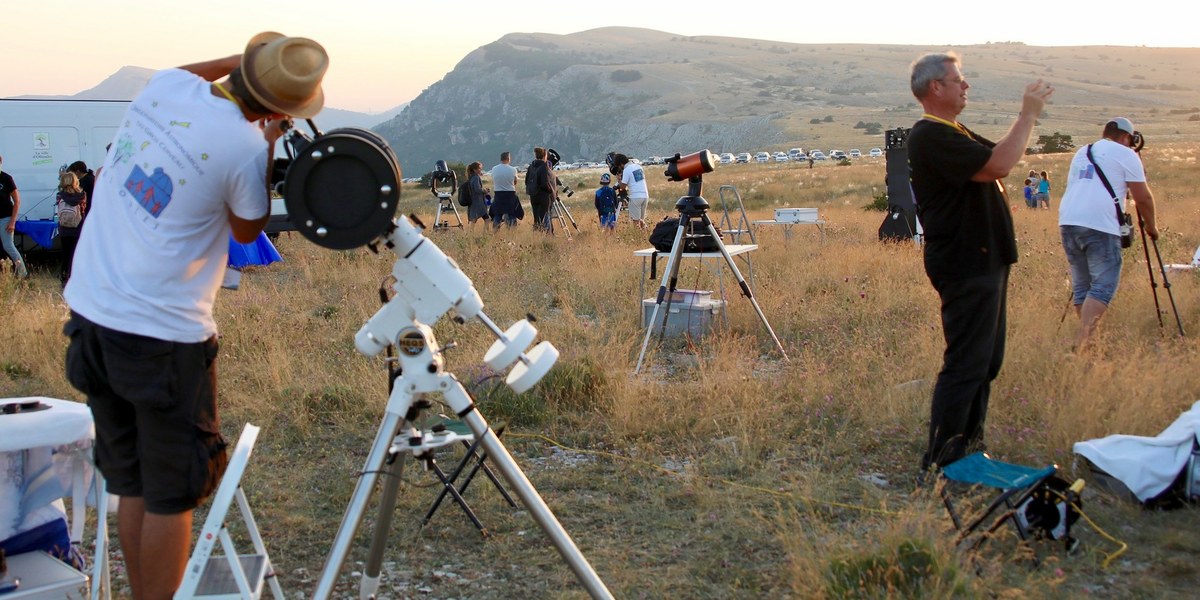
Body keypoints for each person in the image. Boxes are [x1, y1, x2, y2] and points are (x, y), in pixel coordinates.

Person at [62, 32, 327, 598]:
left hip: (91, 313)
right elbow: (248, 229)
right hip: (161, 336)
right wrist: (269, 141)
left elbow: (186, 71)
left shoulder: (165, 87)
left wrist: (251, 66)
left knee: (133, 483)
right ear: (282, 107)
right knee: (171, 495)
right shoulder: (245, 147)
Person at [906, 51, 1053, 472]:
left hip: (983, 260)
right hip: (965, 261)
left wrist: (1026, 121)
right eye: (958, 79)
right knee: (966, 363)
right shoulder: (929, 135)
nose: (965, 85)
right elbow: (1000, 164)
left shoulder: (953, 130)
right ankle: (943, 461)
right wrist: (1028, 113)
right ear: (936, 87)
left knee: (985, 362)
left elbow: (1004, 158)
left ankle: (970, 450)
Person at [1058, 117, 1157, 351]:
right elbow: (1143, 197)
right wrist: (1151, 227)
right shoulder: (1126, 154)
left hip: (1068, 221)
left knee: (1083, 285)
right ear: (1126, 137)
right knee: (1103, 285)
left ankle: (1089, 344)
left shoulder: (1084, 151)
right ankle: (1083, 341)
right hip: (1099, 224)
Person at [55, 171, 87, 286]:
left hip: (64, 229)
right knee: (76, 254)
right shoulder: (82, 195)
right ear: (75, 181)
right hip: (78, 228)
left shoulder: (59, 195)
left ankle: (64, 278)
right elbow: (84, 209)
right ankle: (75, 278)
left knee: (66, 254)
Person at [0, 155, 28, 278]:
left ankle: (23, 273)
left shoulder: (6, 178)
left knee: (8, 245)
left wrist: (12, 221)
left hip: (5, 217)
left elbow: (16, 201)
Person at [612, 153, 650, 230]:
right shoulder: (638, 167)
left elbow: (623, 187)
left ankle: (637, 238)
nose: (619, 168)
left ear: (621, 164)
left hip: (635, 197)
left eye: (619, 166)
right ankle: (646, 235)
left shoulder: (626, 170)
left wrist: (619, 179)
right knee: (641, 220)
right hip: (645, 196)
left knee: (636, 222)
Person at [489, 151, 521, 229]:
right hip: (510, 194)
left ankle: (495, 230)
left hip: (498, 194)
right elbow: (515, 182)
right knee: (512, 213)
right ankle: (512, 229)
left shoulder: (494, 169)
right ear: (508, 159)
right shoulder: (513, 170)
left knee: (497, 213)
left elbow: (494, 179)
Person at [526, 147, 554, 232]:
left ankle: (536, 235)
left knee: (536, 219)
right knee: (545, 217)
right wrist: (551, 191)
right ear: (544, 156)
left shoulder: (531, 166)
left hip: (533, 196)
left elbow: (526, 181)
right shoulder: (544, 167)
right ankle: (547, 236)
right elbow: (545, 183)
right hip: (543, 197)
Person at [465, 161, 489, 226]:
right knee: (486, 219)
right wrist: (485, 191)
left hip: (473, 201)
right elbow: (477, 189)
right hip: (478, 202)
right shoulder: (476, 178)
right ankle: (485, 233)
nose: (480, 170)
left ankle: (471, 234)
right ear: (475, 169)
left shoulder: (471, 177)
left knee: (474, 219)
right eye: (479, 168)